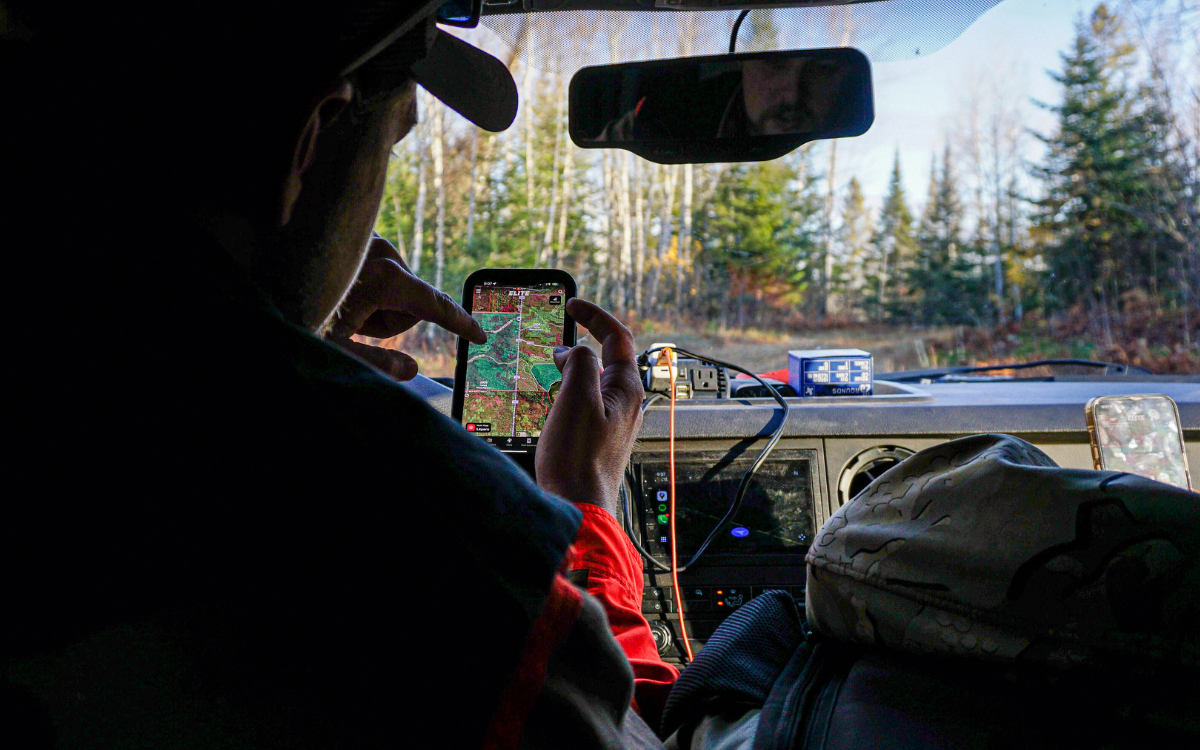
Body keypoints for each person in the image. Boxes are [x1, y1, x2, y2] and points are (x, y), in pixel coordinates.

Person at [2, 2, 675, 747]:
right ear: (306, 139)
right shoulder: (438, 539)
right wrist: (587, 505)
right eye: (394, 140)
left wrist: (289, 326)